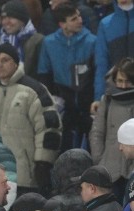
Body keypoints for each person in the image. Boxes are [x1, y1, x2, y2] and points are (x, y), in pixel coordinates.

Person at [0, 43, 62, 194]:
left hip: (24, 176)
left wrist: (43, 163)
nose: (0, 65)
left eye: (5, 60)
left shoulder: (34, 91)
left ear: (15, 62)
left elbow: (49, 128)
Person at [37, 2, 96, 151]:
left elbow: (97, 72)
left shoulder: (92, 41)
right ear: (62, 24)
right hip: (63, 100)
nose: (80, 20)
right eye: (74, 19)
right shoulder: (49, 43)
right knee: (64, 146)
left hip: (86, 99)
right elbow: (44, 73)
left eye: (79, 16)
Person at [90, 57, 134, 196]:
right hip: (110, 168)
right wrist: (99, 160)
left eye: (128, 81)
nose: (123, 85)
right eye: (120, 81)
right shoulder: (107, 100)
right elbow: (97, 132)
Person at [0, 0, 45, 90]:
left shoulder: (38, 41)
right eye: (4, 18)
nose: (6, 22)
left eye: (11, 17)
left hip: (30, 96)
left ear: (23, 19)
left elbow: (44, 75)